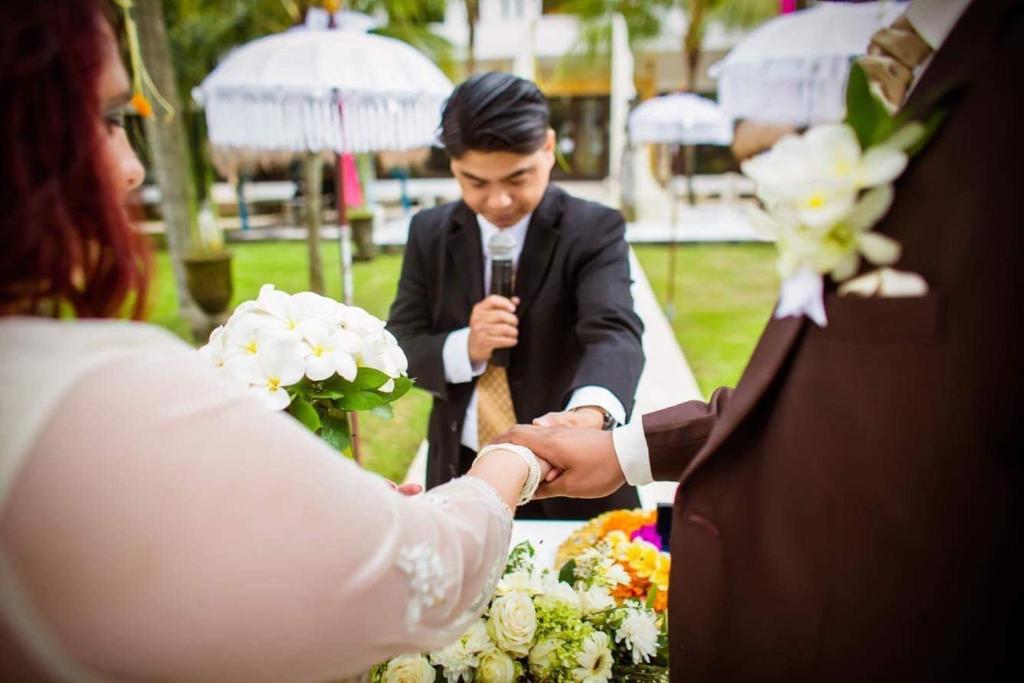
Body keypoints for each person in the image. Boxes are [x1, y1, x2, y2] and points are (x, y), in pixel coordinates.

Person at [0, 3, 550, 680]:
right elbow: (428, 574)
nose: (133, 167)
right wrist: (511, 459)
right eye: (111, 119)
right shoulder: (93, 392)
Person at [502, 0, 1023, 679]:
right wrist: (624, 452)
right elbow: (825, 389)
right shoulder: (925, 61)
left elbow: (613, 328)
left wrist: (596, 411)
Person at [387, 72, 645, 519]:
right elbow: (400, 345)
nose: (499, 201)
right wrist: (464, 347)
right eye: (476, 182)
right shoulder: (429, 232)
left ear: (548, 148)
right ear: (453, 166)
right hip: (462, 468)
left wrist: (591, 414)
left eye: (517, 178)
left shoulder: (593, 229)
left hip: (569, 474)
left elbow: (613, 332)